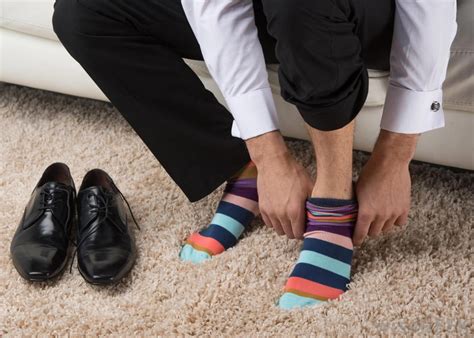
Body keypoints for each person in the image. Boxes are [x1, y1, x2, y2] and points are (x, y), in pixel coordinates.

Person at [52, 0, 457, 309]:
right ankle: (242, 171)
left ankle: (334, 198)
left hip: (367, 13)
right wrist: (268, 158)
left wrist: (395, 156)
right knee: (83, 13)